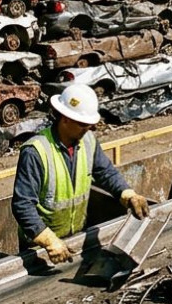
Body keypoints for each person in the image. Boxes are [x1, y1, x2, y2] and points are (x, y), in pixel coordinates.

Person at [12, 84, 151, 264]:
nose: (87, 129)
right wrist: (48, 240)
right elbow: (22, 204)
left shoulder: (88, 141)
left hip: (75, 237)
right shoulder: (36, 151)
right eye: (83, 124)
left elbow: (105, 172)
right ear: (65, 118)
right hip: (41, 248)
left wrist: (127, 194)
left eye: (90, 126)